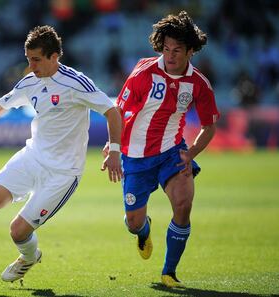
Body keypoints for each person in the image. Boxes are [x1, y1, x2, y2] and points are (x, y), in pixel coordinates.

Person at [0, 25, 122, 289]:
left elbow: (112, 112)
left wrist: (115, 151)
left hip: (63, 173)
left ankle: (30, 256)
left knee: (18, 231)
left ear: (54, 57)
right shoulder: (30, 82)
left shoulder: (76, 83)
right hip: (32, 157)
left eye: (36, 59)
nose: (31, 66)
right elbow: (0, 105)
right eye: (28, 59)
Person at [104, 11, 220, 288]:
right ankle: (143, 230)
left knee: (183, 204)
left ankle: (169, 272)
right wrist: (114, 148)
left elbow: (209, 126)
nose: (170, 55)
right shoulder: (144, 73)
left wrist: (190, 153)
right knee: (133, 222)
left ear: (190, 51)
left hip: (172, 151)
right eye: (166, 49)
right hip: (135, 155)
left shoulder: (199, 84)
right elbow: (118, 110)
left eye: (177, 50)